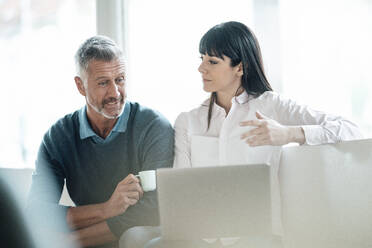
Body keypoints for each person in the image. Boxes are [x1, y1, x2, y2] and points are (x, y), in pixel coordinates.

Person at [145, 21, 363, 248]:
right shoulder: (187, 121)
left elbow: (350, 129)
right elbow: (181, 188)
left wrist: (288, 134)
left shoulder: (272, 105)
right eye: (201, 59)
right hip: (200, 235)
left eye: (212, 61)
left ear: (240, 67)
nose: (201, 69)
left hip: (256, 234)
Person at [27, 35, 174, 248]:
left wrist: (71, 241)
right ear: (80, 86)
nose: (115, 93)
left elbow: (154, 208)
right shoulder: (58, 137)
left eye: (120, 79)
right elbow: (37, 210)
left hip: (136, 238)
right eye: (103, 83)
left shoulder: (152, 126)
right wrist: (106, 208)